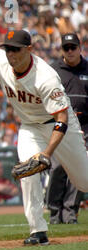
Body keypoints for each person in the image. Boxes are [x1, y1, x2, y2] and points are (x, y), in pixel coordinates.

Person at [0, 29, 88, 245]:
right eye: (7, 49)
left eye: (16, 49)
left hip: (60, 125)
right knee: (28, 172)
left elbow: (61, 118)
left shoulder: (45, 76)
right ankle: (38, 231)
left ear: (29, 49)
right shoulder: (0, 60)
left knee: (84, 183)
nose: (11, 54)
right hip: (30, 127)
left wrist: (46, 154)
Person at [46, 33, 88, 224]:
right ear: (61, 50)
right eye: (66, 48)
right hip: (60, 126)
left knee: (78, 171)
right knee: (57, 168)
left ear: (80, 48)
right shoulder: (53, 70)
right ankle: (55, 213)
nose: (70, 51)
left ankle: (70, 213)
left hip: (84, 125)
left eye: (73, 47)